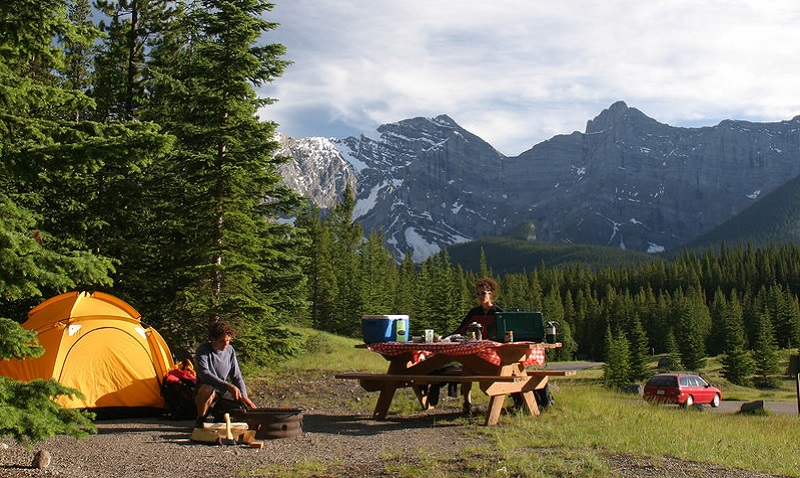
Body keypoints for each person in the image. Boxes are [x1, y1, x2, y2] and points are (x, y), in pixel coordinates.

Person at [427, 278, 504, 414]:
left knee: (470, 363)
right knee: (467, 364)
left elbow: (504, 335)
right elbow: (461, 330)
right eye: (478, 294)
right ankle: (467, 402)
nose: (480, 297)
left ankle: (492, 404)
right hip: (474, 351)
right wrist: (444, 338)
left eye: (483, 293)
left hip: (491, 352)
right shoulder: (474, 313)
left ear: (491, 294)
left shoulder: (499, 313)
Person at [194, 321, 256, 427]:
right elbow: (205, 374)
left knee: (240, 405)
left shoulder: (230, 350)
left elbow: (236, 376)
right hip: (205, 388)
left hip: (222, 390)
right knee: (208, 389)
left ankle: (219, 413)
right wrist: (228, 386)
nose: (226, 344)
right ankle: (201, 419)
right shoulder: (202, 351)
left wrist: (243, 396)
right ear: (213, 339)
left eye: (228, 341)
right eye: (222, 341)